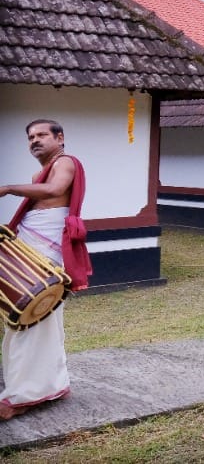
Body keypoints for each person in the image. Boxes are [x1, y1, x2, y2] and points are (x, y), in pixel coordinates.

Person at [0, 120, 90, 420]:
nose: (34, 140)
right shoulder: (43, 169)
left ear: (60, 137)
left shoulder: (65, 162)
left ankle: (27, 395)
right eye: (30, 137)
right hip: (33, 248)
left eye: (41, 135)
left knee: (33, 319)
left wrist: (9, 188)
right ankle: (46, 384)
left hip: (46, 252)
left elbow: (55, 190)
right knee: (26, 320)